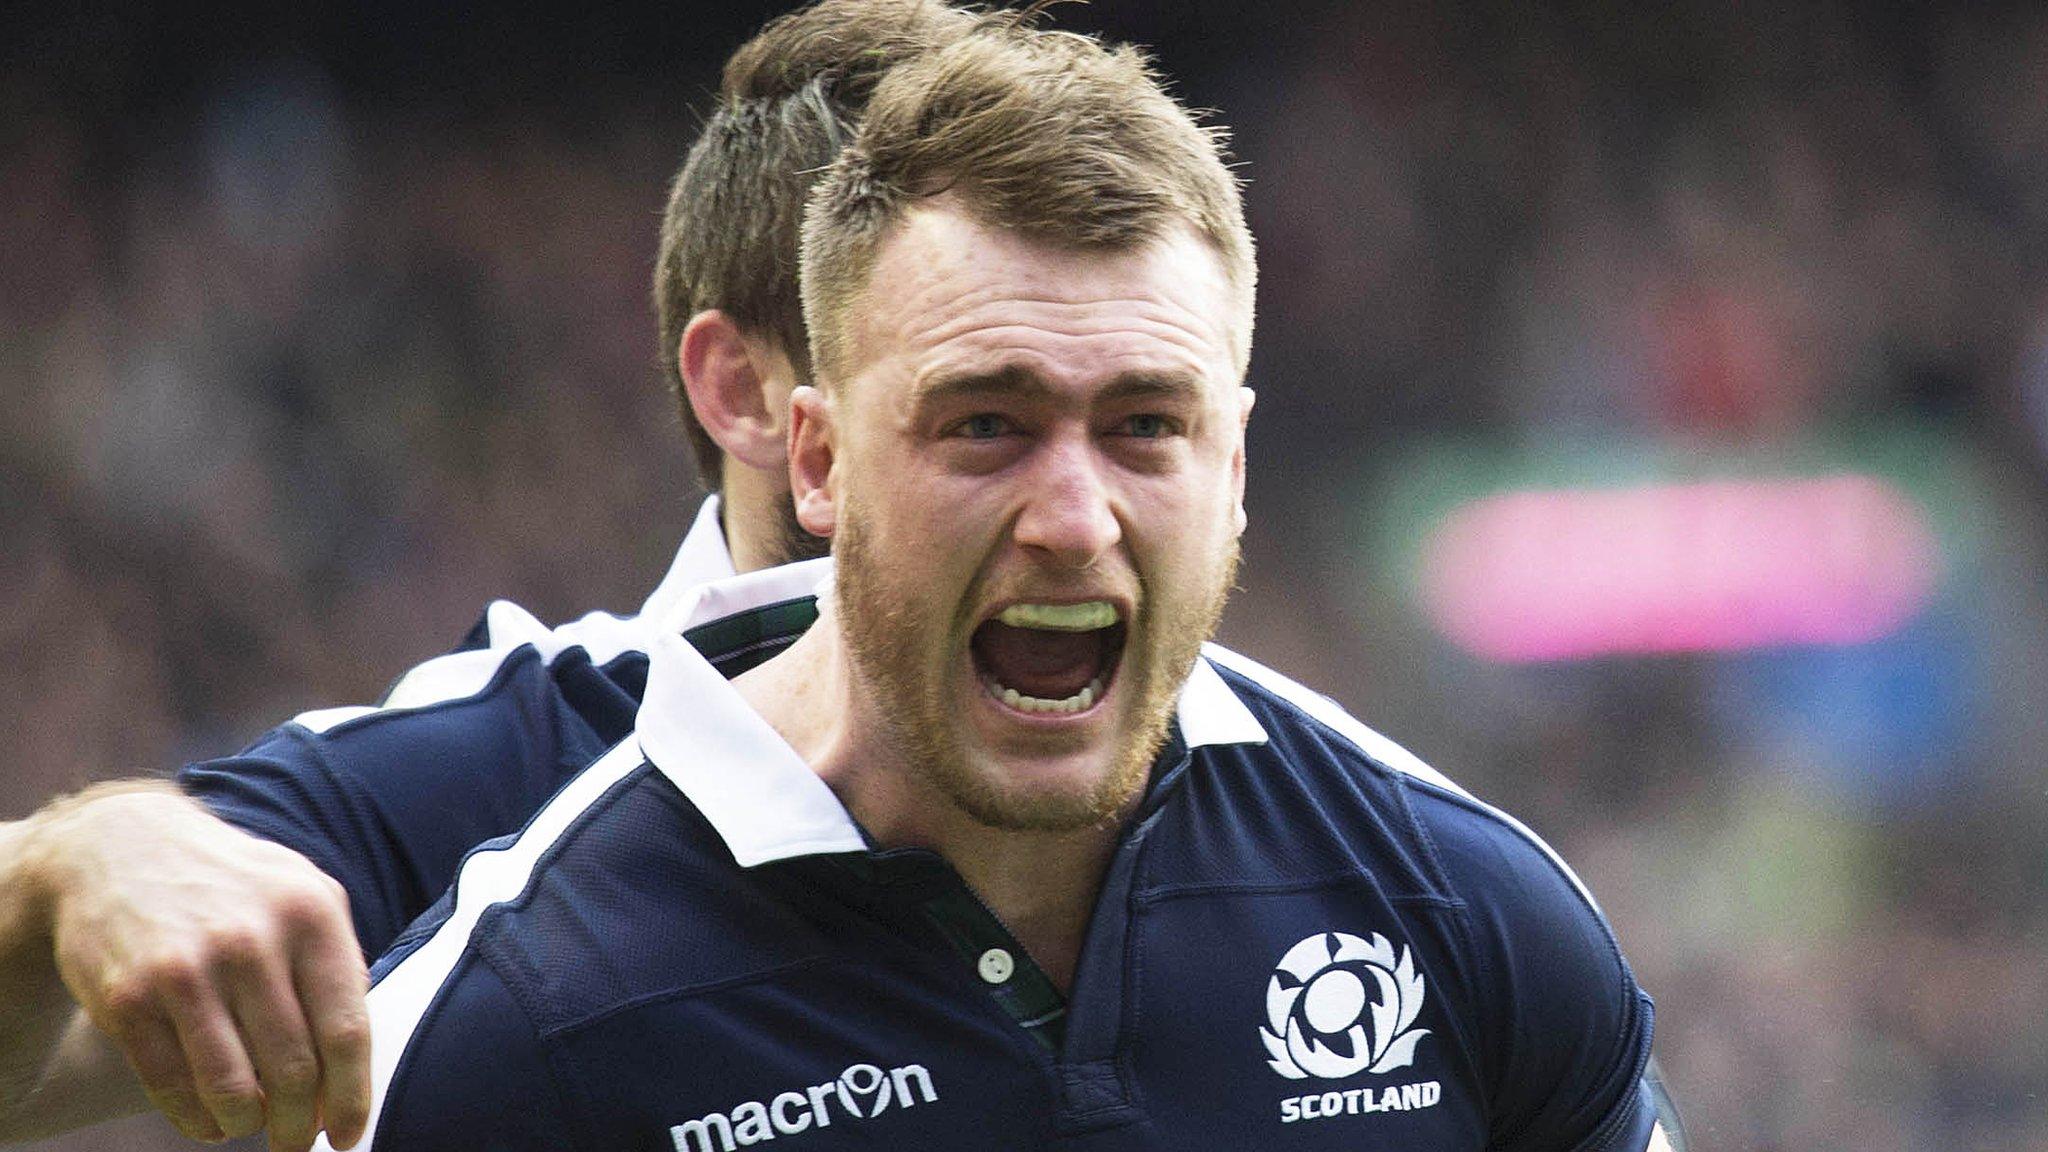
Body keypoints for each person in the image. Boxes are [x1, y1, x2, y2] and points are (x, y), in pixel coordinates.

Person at [339, 15, 1675, 1150]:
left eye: (1147, 425)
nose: (1075, 518)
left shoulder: (1464, 916)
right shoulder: (522, 1027)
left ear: (1236, 465)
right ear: (818, 460)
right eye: (987, 423)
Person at [0, 3, 977, 1149]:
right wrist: (62, 866)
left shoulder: (1224, 757)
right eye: (974, 397)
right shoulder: (500, 774)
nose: (1067, 499)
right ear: (749, 395)